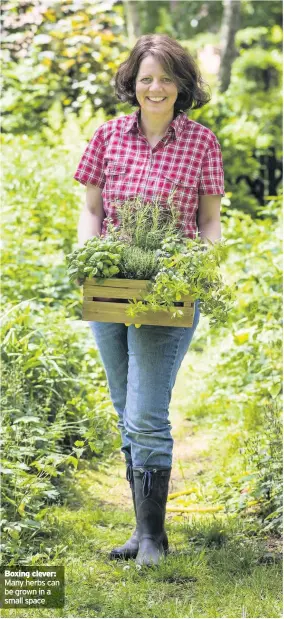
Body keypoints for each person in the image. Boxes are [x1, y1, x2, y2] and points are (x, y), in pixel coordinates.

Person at [74, 34, 225, 566]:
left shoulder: (202, 143)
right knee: (124, 407)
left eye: (165, 78)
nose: (155, 87)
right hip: (112, 286)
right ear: (132, 85)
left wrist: (199, 268)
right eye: (146, 78)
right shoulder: (107, 136)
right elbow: (92, 210)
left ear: (182, 85)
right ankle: (142, 532)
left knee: (145, 412)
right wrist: (85, 254)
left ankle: (156, 540)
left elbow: (208, 222)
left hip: (170, 289)